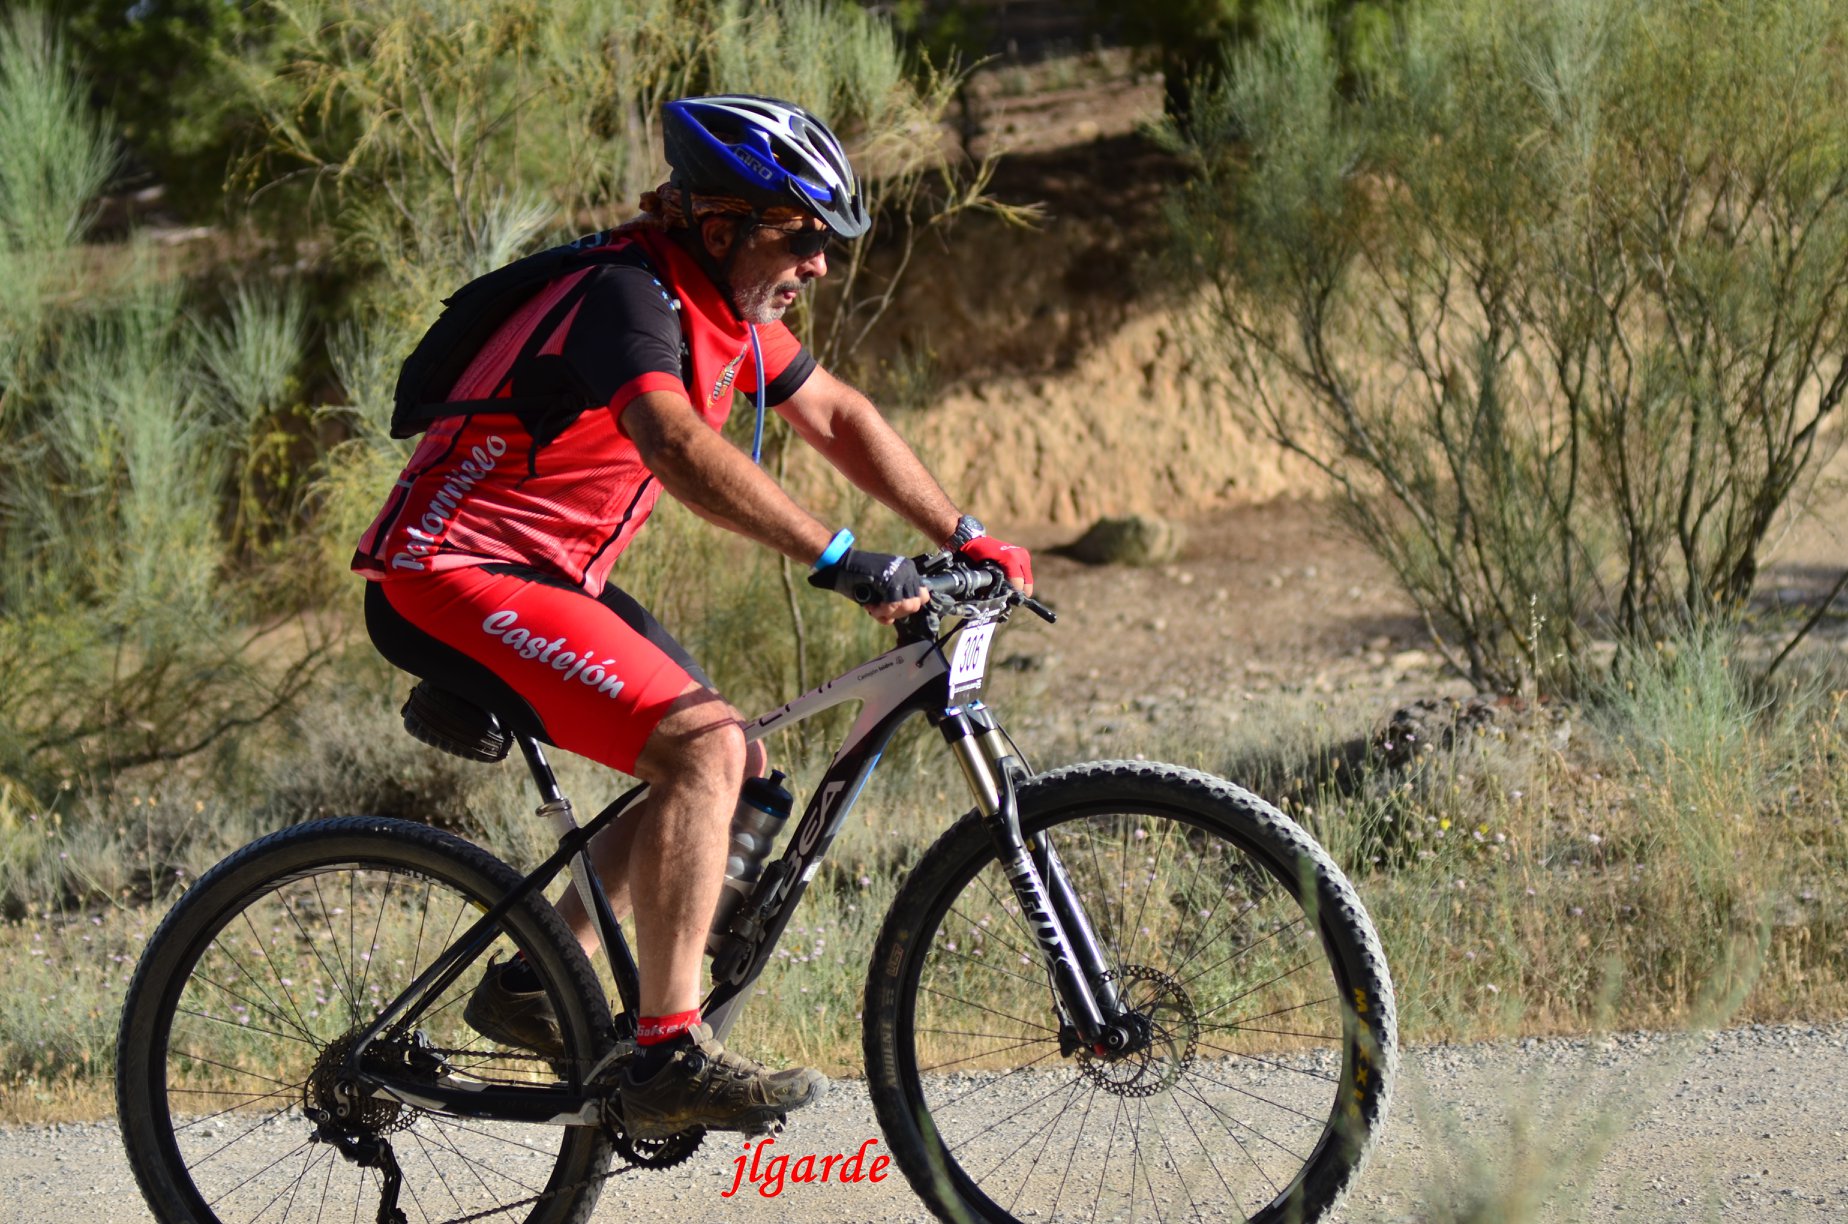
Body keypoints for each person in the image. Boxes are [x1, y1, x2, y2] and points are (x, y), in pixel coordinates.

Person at [351, 94, 1033, 1140]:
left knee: (740, 767)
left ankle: (536, 983)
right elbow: (672, 444)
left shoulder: (722, 311)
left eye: (826, 242)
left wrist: (965, 532)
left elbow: (836, 413)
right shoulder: (628, 296)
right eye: (800, 236)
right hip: (453, 570)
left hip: (545, 575)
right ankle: (668, 1054)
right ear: (719, 226)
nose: (818, 264)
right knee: (704, 751)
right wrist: (839, 558)